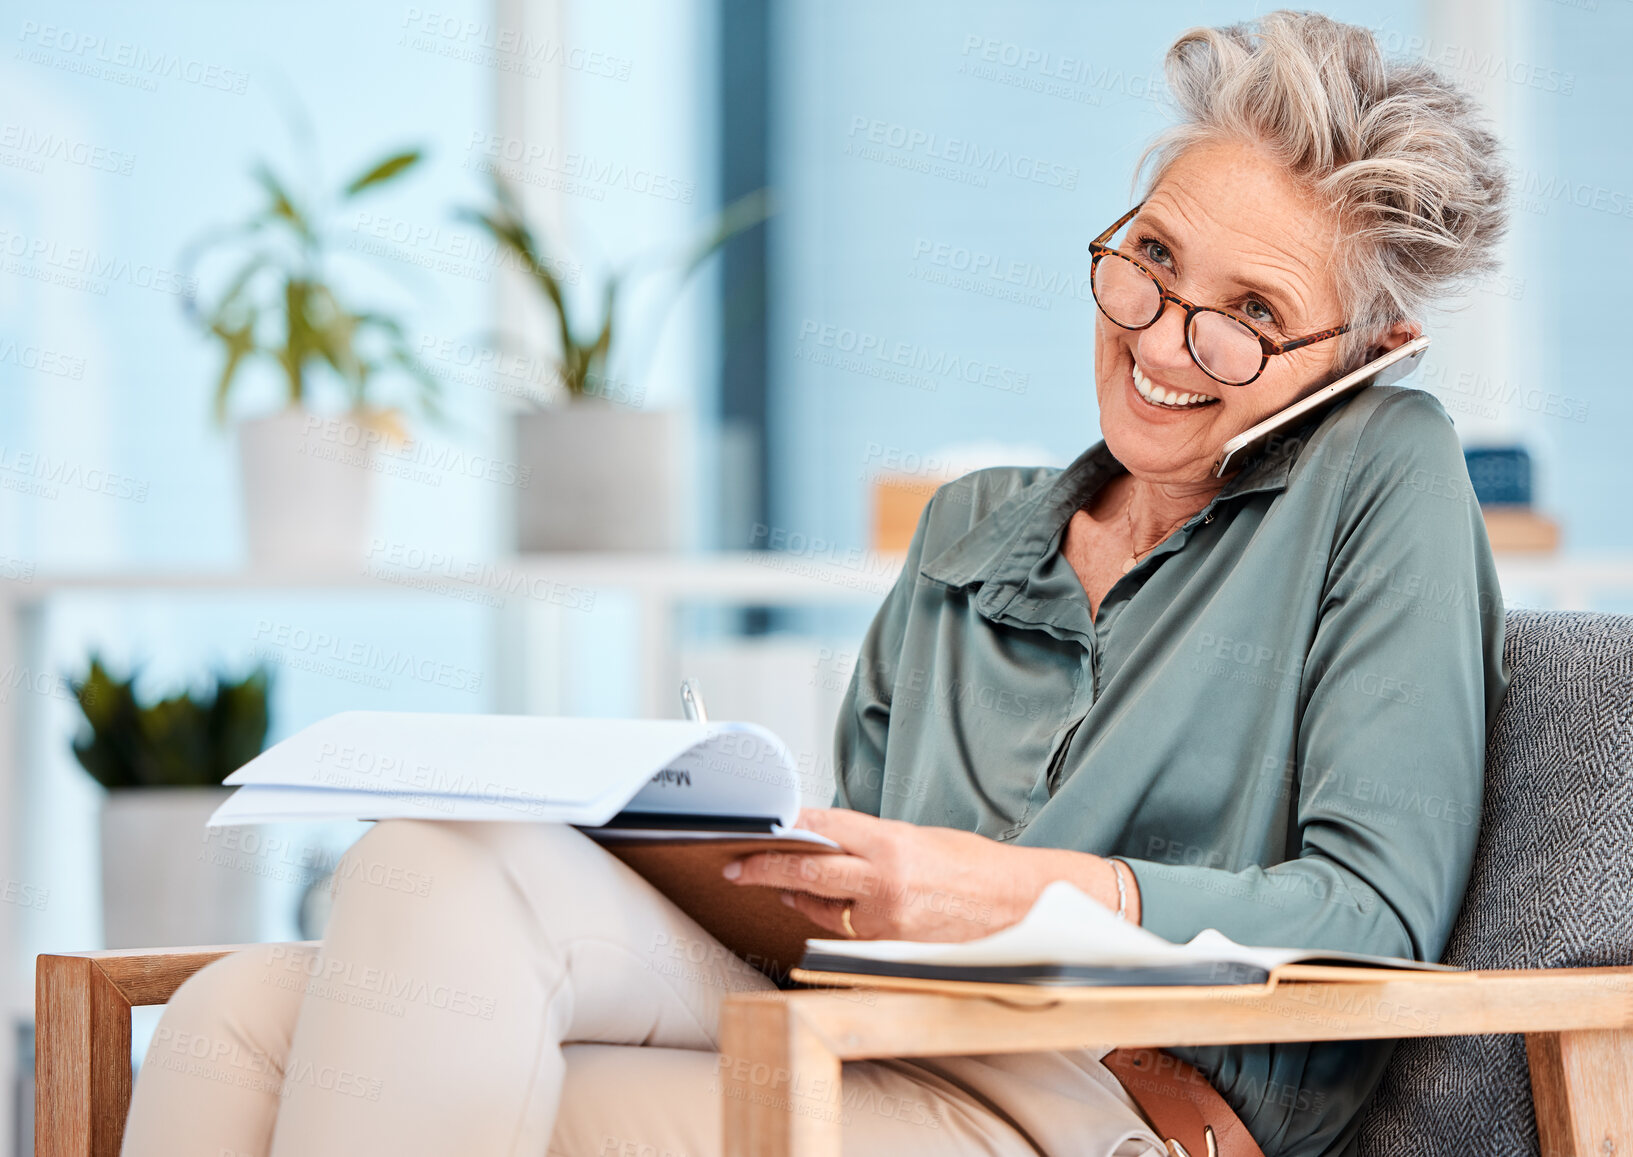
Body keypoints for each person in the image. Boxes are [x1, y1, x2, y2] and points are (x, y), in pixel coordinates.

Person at [121, 11, 1510, 1157]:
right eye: (1151, 258)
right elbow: (838, 895)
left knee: (450, 1075)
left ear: (1367, 351)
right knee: (266, 984)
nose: (1165, 336)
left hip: (1098, 1096)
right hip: (866, 1021)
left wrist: (1021, 894)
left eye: (1254, 316)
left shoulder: (1383, 471)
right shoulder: (972, 531)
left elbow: (1376, 918)